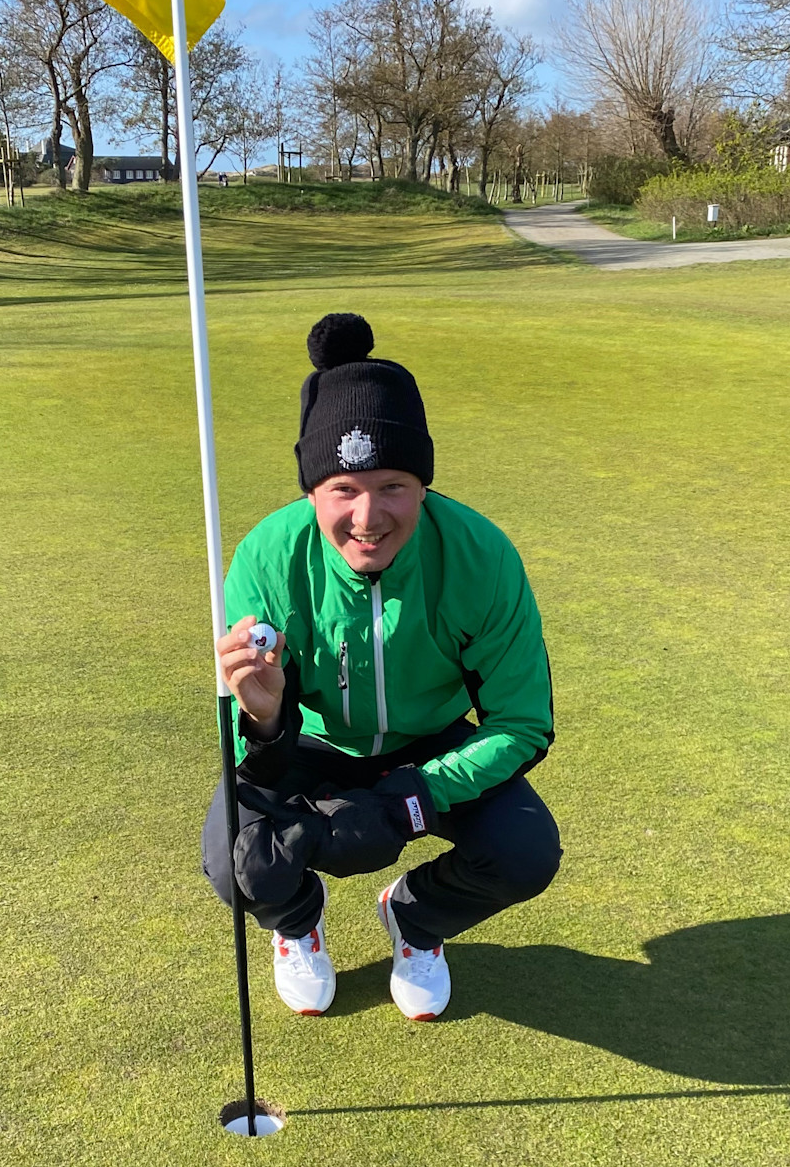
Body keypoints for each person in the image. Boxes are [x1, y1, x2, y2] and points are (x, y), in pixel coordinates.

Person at [202, 312, 561, 1020]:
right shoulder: (266, 557)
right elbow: (247, 743)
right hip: (308, 739)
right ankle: (299, 922)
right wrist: (266, 715)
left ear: (424, 483)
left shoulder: (481, 557)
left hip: (430, 742)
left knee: (524, 853)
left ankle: (416, 920)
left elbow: (522, 723)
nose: (369, 515)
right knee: (236, 869)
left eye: (394, 484)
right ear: (312, 492)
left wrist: (411, 798)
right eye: (343, 488)